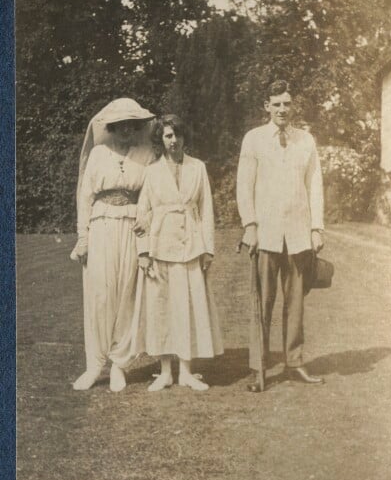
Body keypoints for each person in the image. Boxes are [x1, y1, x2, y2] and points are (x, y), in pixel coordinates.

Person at [236, 80, 324, 393]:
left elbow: (315, 184)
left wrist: (316, 228)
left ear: (293, 105)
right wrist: (250, 225)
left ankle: (294, 362)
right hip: (266, 233)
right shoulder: (254, 139)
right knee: (262, 302)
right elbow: (244, 185)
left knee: (296, 302)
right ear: (267, 106)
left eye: (287, 103)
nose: (282, 109)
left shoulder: (306, 140)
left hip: (298, 233)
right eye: (276, 104)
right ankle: (259, 369)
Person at [133, 114, 223, 392]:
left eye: (178, 135)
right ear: (161, 139)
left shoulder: (198, 167)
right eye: (168, 136)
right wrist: (143, 252)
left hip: (191, 246)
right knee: (161, 308)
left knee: (188, 307)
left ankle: (186, 371)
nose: (174, 140)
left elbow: (206, 210)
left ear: (185, 137)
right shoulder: (152, 171)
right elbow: (142, 212)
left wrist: (208, 249)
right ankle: (164, 372)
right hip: (160, 245)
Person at [70, 97, 155, 392]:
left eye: (131, 126)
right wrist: (83, 236)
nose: (126, 131)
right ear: (111, 128)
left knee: (126, 293)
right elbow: (85, 197)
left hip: (132, 228)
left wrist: (145, 228)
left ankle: (119, 364)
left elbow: (149, 195)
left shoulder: (145, 153)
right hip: (102, 225)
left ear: (136, 128)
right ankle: (95, 365)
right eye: (120, 126)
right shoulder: (97, 154)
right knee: (100, 295)